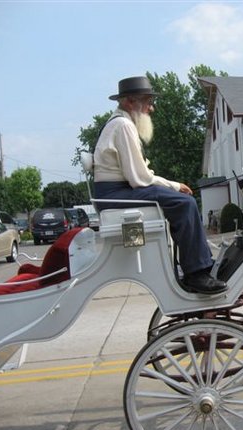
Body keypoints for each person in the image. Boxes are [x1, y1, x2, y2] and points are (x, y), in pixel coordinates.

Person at [93, 76, 227, 295]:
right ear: (129, 102)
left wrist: (170, 186)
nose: (151, 108)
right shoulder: (123, 125)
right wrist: (174, 186)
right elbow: (140, 178)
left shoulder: (119, 123)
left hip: (114, 192)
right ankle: (197, 273)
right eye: (147, 101)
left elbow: (138, 176)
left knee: (179, 201)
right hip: (115, 194)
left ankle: (197, 264)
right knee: (184, 203)